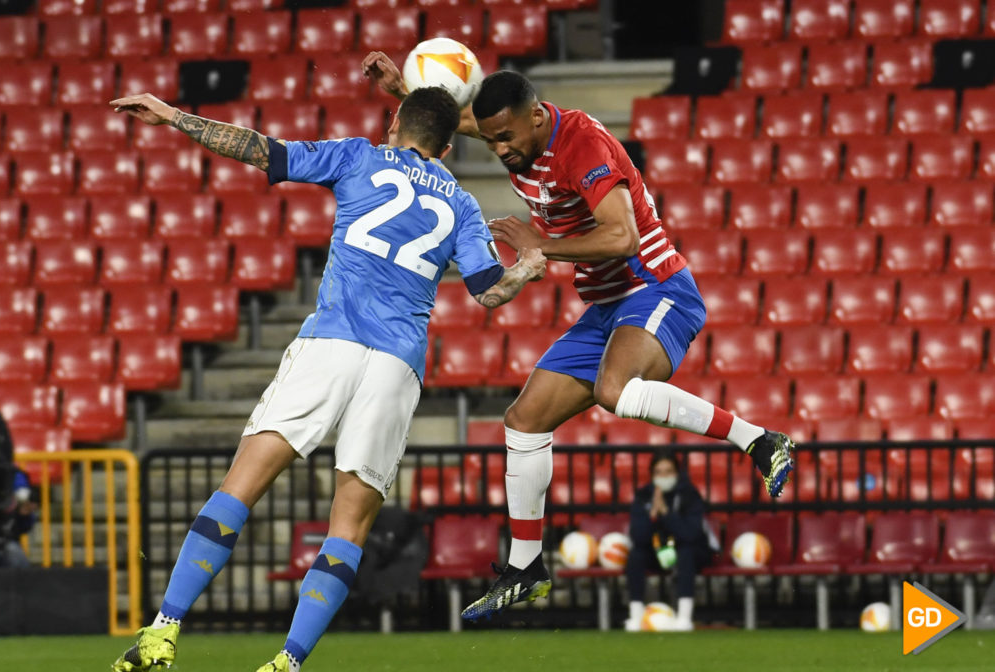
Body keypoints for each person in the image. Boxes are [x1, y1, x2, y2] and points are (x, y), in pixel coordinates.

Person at [107, 86, 546, 672]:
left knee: (243, 484)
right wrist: (529, 269)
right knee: (350, 521)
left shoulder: (359, 157)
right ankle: (287, 663)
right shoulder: (463, 206)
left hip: (331, 343)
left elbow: (262, 150)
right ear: (446, 146)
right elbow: (488, 291)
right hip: (396, 365)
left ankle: (164, 631)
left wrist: (175, 116)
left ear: (395, 122)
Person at [362, 56, 795, 622]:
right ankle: (525, 568)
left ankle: (760, 441)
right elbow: (462, 122)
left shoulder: (581, 145)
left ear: (538, 117)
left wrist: (540, 245)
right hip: (607, 307)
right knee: (523, 421)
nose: (502, 150)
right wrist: (405, 90)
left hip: (655, 286)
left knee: (617, 390)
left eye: (508, 138)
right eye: (492, 141)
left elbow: (621, 236)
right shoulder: (511, 131)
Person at [624, 451, 717, 632]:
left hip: (691, 553)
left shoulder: (689, 494)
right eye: (659, 472)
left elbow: (690, 534)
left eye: (668, 472)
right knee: (636, 555)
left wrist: (666, 514)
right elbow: (638, 537)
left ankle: (684, 617)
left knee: (686, 552)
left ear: (677, 473)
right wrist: (652, 516)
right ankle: (635, 616)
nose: (664, 477)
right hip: (658, 552)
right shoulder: (644, 496)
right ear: (652, 475)